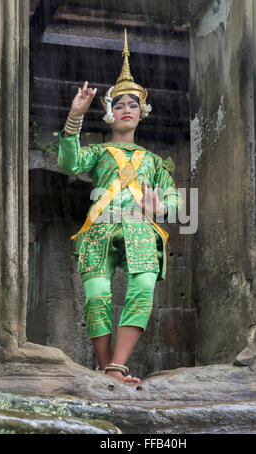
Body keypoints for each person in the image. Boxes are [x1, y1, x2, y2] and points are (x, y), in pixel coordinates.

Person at [58, 29, 183, 384]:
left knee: (142, 288)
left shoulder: (155, 161)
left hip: (140, 229)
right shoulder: (97, 152)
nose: (126, 110)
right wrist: (73, 118)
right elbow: (70, 162)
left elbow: (173, 199)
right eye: (119, 104)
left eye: (132, 104)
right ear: (109, 114)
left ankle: (117, 366)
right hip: (99, 227)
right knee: (97, 294)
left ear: (142, 113)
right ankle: (102, 368)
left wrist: (160, 206)